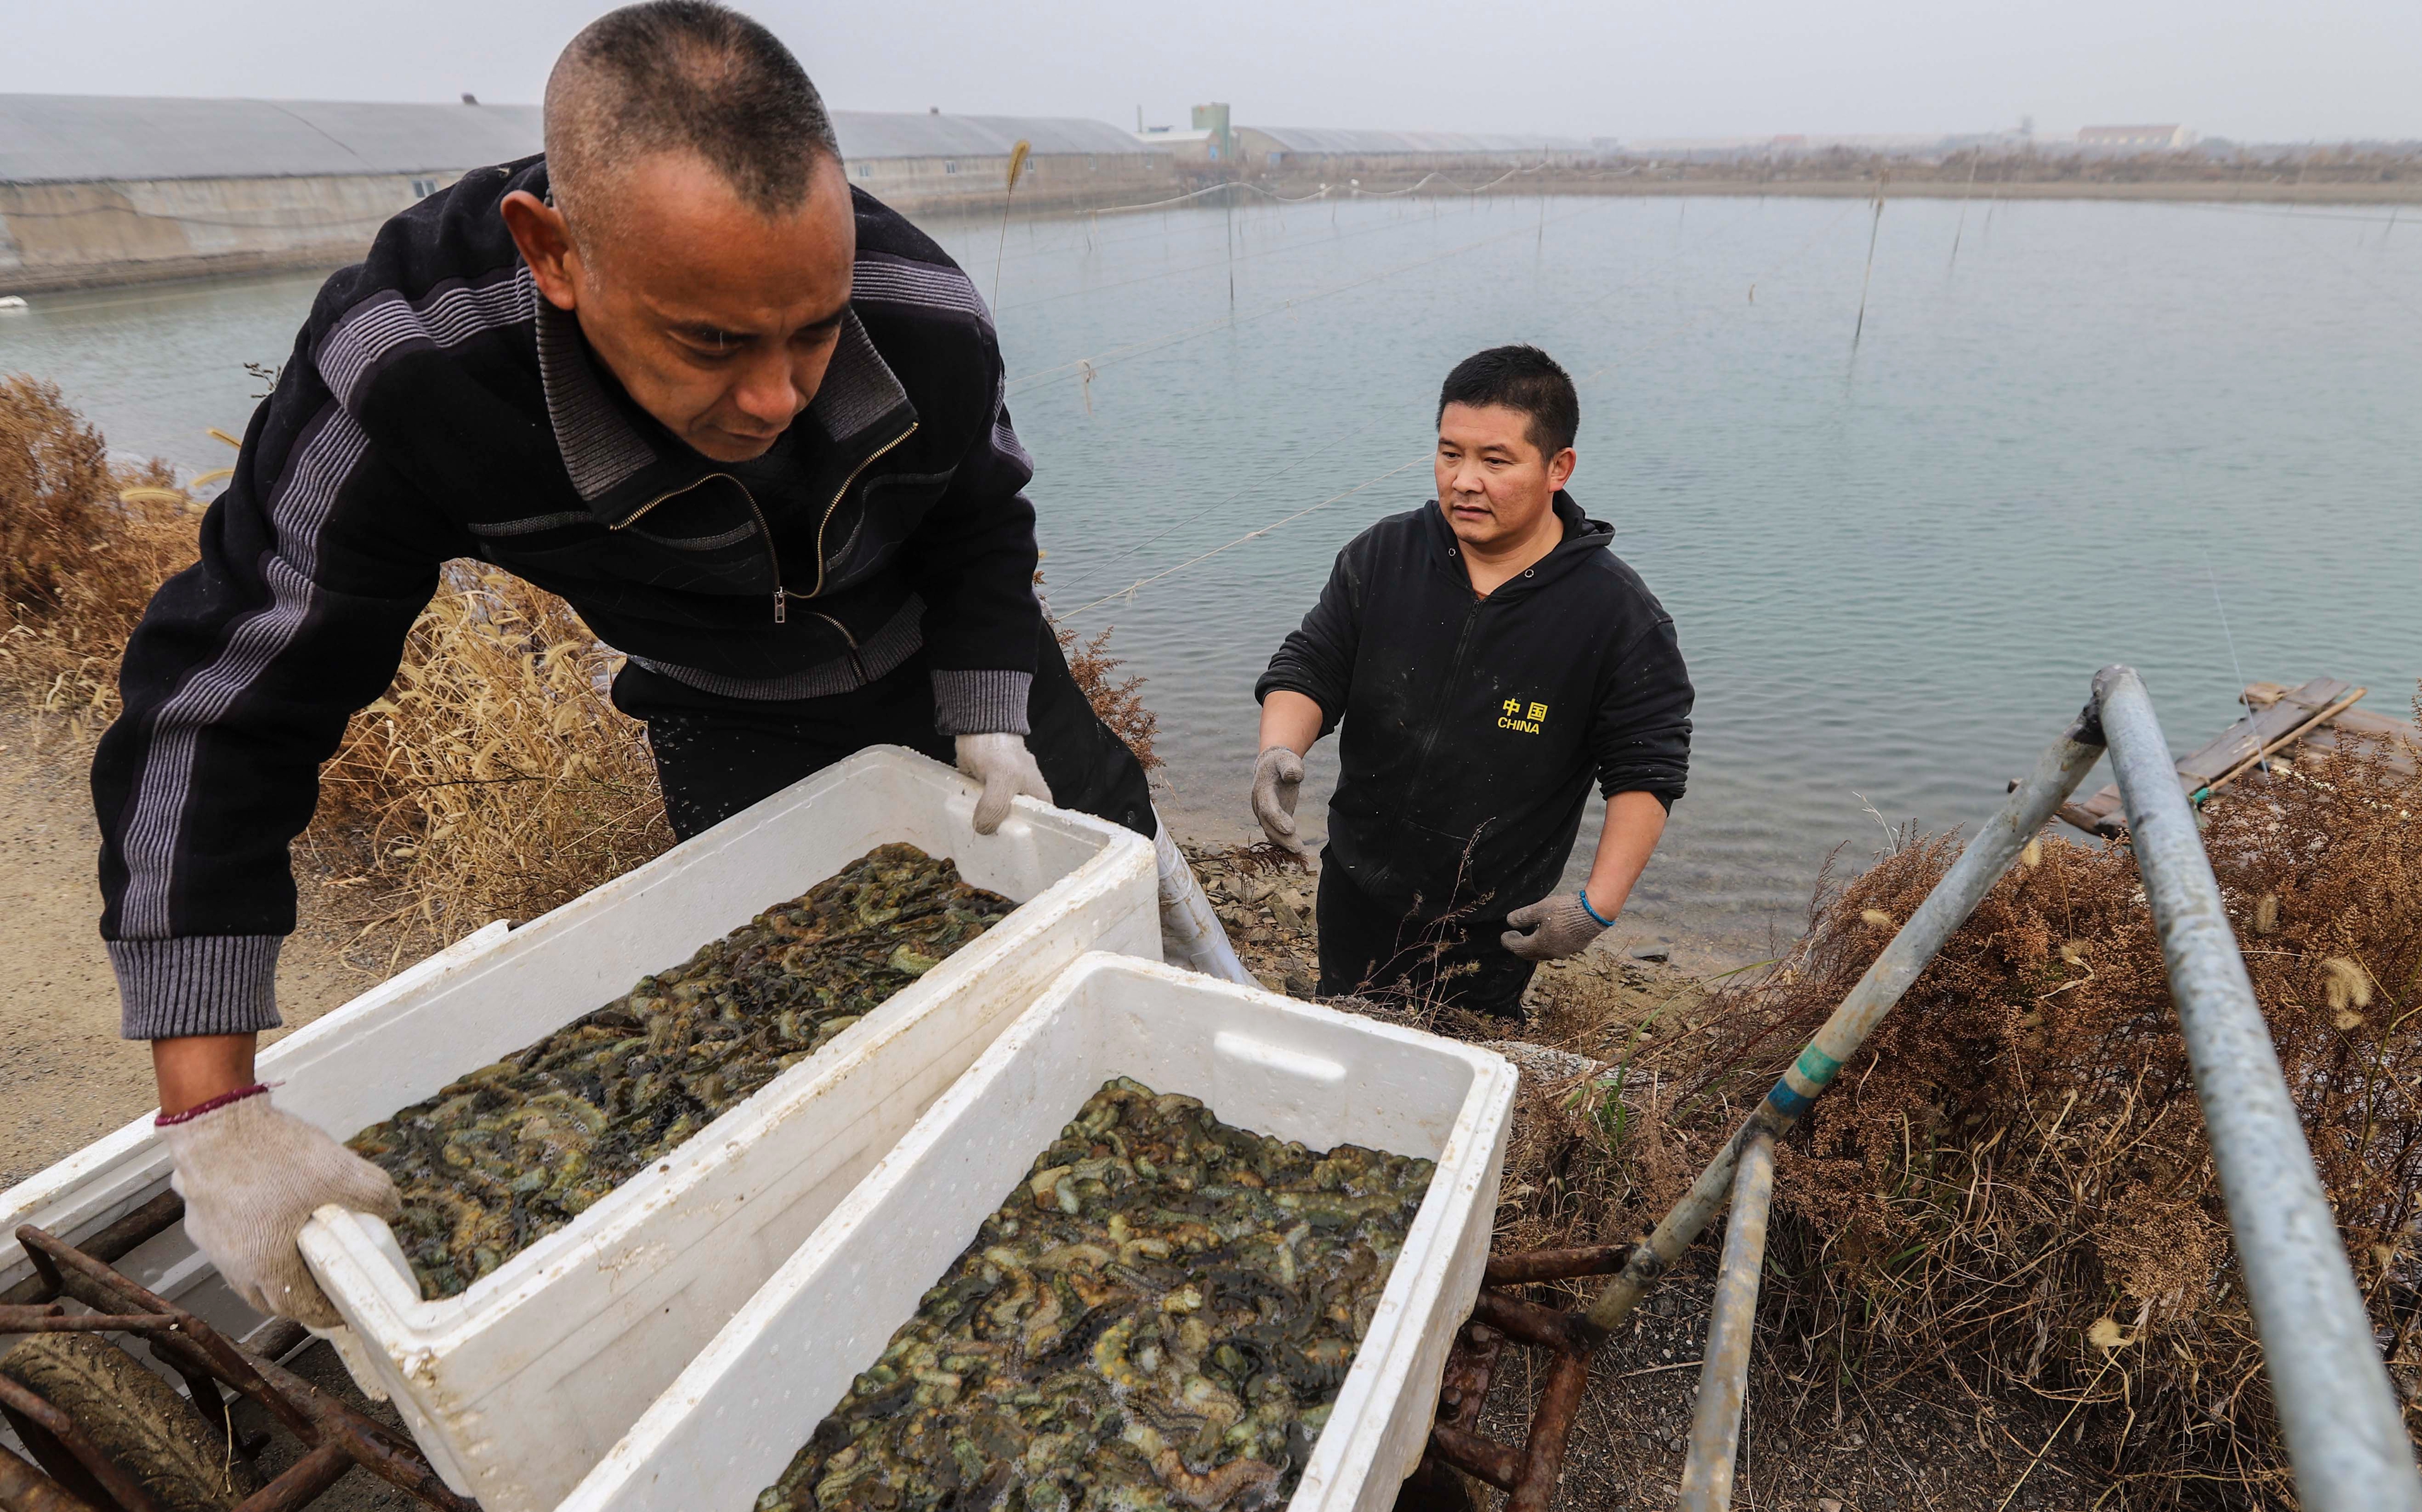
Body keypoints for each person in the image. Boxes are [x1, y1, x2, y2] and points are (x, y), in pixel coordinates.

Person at [89, 0, 1207, 1330]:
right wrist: (211, 1105)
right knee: (832, 1039)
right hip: (722, 703)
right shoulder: (411, 378)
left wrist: (986, 710)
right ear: (553, 252)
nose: (778, 397)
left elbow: (980, 518)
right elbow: (229, 702)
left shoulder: (923, 316)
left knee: (1131, 942)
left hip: (967, 678)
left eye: (812, 332)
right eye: (712, 342)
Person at [1250, 344, 1693, 1020]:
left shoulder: (1618, 615)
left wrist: (1594, 907)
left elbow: (1645, 770)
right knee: (1339, 1041)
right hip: (1354, 883)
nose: (1463, 481)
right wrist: (1278, 751)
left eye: (1494, 460)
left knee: (1450, 1081)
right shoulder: (1385, 554)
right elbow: (1310, 664)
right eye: (1449, 453)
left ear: (1558, 468)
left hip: (1490, 926)